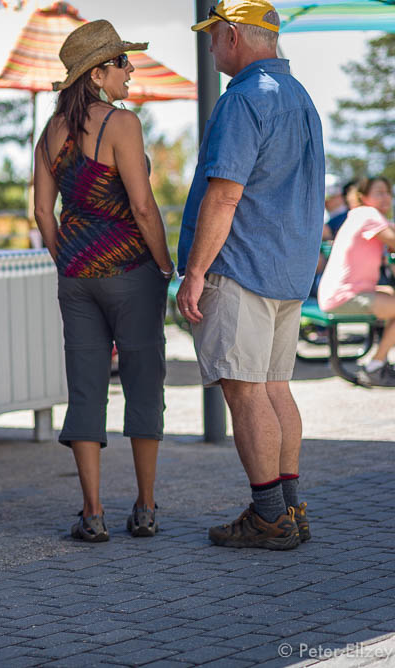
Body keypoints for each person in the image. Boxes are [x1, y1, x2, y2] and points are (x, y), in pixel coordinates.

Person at [176, 0, 324, 550]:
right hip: (287, 268)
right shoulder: (299, 96)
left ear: (233, 36)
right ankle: (289, 509)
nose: (211, 46)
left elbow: (224, 195)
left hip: (240, 266)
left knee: (245, 393)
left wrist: (195, 271)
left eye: (214, 35)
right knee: (275, 388)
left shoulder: (242, 99)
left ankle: (268, 517)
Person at [32, 20, 174, 543]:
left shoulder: (50, 132)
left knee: (86, 387)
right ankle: (146, 506)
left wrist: (68, 259)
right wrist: (165, 266)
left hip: (76, 278)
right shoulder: (122, 123)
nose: (129, 70)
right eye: (121, 62)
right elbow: (143, 206)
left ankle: (92, 513)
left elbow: (42, 213)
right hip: (131, 272)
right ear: (96, 74)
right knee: (143, 381)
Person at [318, 176, 395, 386]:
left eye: (388, 192)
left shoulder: (360, 215)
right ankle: (375, 366)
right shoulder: (367, 214)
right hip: (343, 296)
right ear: (363, 197)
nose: (386, 197)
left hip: (338, 293)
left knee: (391, 294)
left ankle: (379, 359)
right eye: (379, 192)